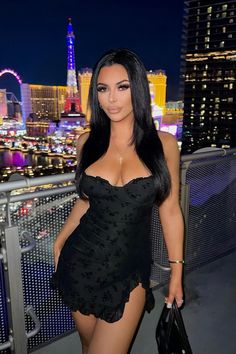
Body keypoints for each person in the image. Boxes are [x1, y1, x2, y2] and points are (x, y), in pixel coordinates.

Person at [52, 48, 184, 354]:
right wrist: (60, 239)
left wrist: (177, 273)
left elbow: (170, 211)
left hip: (129, 273)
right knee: (88, 346)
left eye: (122, 87)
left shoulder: (163, 144)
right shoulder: (87, 141)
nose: (111, 98)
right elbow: (86, 201)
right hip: (80, 263)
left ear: (137, 89)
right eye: (103, 88)